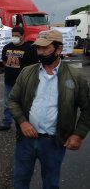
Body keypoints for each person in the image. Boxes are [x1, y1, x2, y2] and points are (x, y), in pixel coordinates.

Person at [8, 29, 90, 189]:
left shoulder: (76, 77)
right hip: (26, 141)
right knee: (20, 181)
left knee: (51, 184)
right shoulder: (27, 72)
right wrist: (22, 122)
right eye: (39, 48)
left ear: (59, 49)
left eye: (45, 48)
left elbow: (88, 110)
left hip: (54, 142)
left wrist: (78, 134)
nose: (41, 52)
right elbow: (12, 100)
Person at [0, 26, 38, 131]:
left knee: (25, 104)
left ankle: (25, 124)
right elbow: (4, 61)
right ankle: (6, 122)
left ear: (23, 36)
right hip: (9, 81)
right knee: (7, 103)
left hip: (24, 82)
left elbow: (34, 65)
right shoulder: (7, 47)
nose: (14, 37)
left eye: (17, 36)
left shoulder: (30, 48)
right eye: (13, 35)